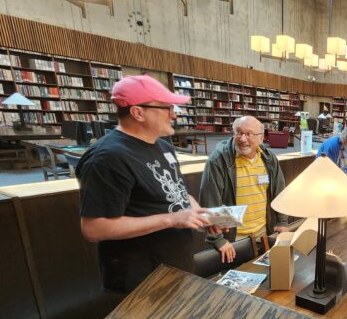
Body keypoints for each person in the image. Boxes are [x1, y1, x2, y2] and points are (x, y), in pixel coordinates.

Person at [77, 75, 212, 294]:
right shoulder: (108, 158)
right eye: (166, 108)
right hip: (141, 279)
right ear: (138, 112)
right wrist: (171, 219)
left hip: (176, 265)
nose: (174, 114)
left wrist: (197, 212)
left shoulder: (163, 146)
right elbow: (93, 228)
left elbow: (176, 191)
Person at [199, 116, 289, 263]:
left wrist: (283, 222)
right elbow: (209, 201)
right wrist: (218, 240)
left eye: (249, 134)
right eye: (238, 133)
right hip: (234, 241)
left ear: (261, 138)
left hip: (264, 234)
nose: (242, 139)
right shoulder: (218, 160)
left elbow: (280, 191)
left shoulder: (269, 159)